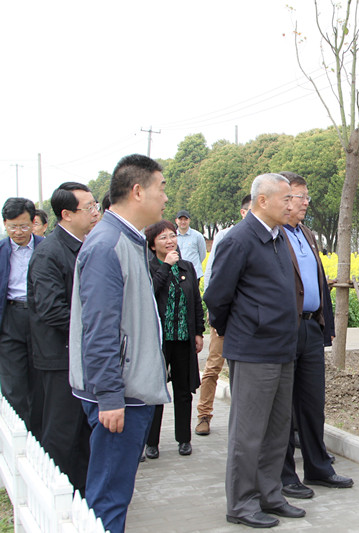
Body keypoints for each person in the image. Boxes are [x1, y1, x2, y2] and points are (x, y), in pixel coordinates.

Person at [69, 154, 171, 533]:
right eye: (161, 188)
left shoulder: (127, 240)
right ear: (138, 191)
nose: (165, 198)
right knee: (109, 499)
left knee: (115, 493)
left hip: (127, 393)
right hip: (119, 398)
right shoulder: (107, 244)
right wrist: (110, 397)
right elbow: (99, 329)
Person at [204, 173, 305, 529]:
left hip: (282, 348)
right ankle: (242, 503)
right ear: (263, 200)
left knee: (277, 429)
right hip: (253, 351)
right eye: (286, 199)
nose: (291, 205)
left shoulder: (278, 237)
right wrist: (240, 330)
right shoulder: (238, 239)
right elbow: (217, 296)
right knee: (248, 434)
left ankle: (270, 494)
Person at [278, 172, 352, 500]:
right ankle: (284, 475)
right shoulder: (273, 234)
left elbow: (319, 281)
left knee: (312, 402)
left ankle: (318, 467)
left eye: (307, 197)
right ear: (284, 199)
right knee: (283, 406)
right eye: (300, 196)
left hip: (310, 326)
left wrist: (326, 325)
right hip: (284, 329)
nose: (306, 202)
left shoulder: (306, 234)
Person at [27, 182, 99, 494]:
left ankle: (82, 494)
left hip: (79, 354)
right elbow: (51, 310)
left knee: (83, 432)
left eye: (96, 205)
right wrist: (96, 327)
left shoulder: (85, 245)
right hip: (59, 358)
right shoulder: (50, 253)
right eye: (89, 207)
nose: (95, 212)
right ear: (66, 214)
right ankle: (55, 497)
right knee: (62, 432)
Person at [143, 220, 203, 459]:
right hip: (159, 340)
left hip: (182, 338)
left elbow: (196, 301)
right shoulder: (148, 268)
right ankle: (151, 442)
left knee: (183, 390)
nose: (170, 241)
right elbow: (149, 293)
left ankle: (184, 439)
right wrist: (166, 266)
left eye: (172, 236)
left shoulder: (187, 267)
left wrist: (198, 332)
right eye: (163, 238)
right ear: (152, 245)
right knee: (155, 391)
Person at [195, 194, 251, 436]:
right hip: (225, 314)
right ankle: (204, 415)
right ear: (243, 212)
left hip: (247, 318)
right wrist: (213, 309)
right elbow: (212, 273)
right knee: (213, 366)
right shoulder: (226, 236)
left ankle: (243, 420)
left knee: (246, 371)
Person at [0, 197, 44, 433]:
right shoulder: (1, 251)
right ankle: (19, 435)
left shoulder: (45, 247)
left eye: (24, 226)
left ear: (33, 222)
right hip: (10, 316)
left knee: (40, 382)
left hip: (40, 317)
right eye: (13, 226)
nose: (18, 232)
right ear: (5, 224)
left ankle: (38, 435)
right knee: (14, 384)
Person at [174, 209, 206, 280]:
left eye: (185, 219)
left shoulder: (197, 236)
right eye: (180, 219)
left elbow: (202, 254)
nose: (183, 222)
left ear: (189, 220)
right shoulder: (173, 237)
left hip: (194, 273)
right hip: (178, 274)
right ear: (176, 221)